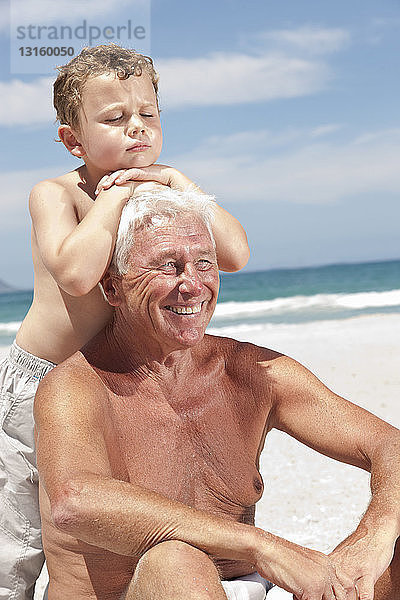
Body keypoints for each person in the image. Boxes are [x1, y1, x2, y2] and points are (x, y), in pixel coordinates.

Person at [35, 185, 400, 600]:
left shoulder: (250, 372)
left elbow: (390, 443)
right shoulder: (76, 386)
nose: (192, 285)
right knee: (176, 561)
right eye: (167, 267)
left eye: (204, 263)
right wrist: (263, 547)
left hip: (242, 589)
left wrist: (374, 536)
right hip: (140, 592)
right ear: (113, 288)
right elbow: (75, 499)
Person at [0, 45, 249, 600]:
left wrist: (181, 182)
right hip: (39, 377)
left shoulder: (163, 190)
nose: (137, 129)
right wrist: (113, 202)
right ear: (73, 140)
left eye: (148, 115)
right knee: (17, 534)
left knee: (94, 526)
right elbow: (76, 273)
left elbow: (234, 254)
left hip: (108, 386)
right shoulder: (57, 194)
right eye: (115, 119)